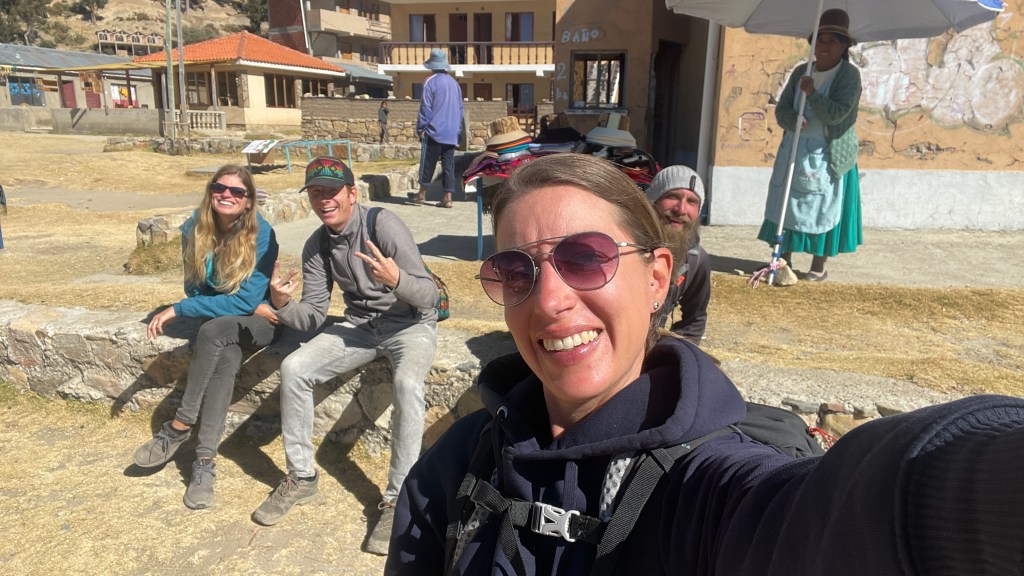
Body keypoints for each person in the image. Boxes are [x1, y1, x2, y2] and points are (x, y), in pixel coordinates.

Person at [385, 153, 1024, 575]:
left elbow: (864, 509)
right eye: (514, 271)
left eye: (586, 258)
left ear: (657, 277)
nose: (549, 301)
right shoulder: (461, 457)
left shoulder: (705, 484)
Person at [252, 156, 439, 557]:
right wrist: (282, 304)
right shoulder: (317, 244)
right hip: (359, 329)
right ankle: (301, 477)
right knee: (294, 367)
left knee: (407, 383)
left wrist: (397, 279)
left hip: (410, 325)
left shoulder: (383, 224)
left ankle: (396, 500)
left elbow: (429, 296)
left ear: (352, 194)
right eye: (316, 192)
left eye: (332, 191)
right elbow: (313, 316)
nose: (324, 200)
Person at [132, 164, 281, 510]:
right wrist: (232, 302)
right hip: (227, 323)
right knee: (224, 356)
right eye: (219, 188)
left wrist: (182, 309)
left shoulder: (262, 234)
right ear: (210, 191)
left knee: (212, 330)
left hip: (262, 323)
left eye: (237, 191)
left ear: (248, 201)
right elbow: (194, 287)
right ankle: (204, 461)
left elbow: (244, 301)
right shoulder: (193, 229)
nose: (227, 195)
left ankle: (179, 426)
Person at [757, 8, 863, 282]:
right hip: (796, 148)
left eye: (832, 41)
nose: (824, 47)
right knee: (788, 204)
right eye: (819, 40)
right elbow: (782, 109)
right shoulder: (801, 72)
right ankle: (783, 258)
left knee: (823, 206)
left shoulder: (849, 76)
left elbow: (837, 114)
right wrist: (794, 121)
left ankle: (818, 264)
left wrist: (812, 93)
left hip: (827, 153)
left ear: (844, 46)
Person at [646, 165, 711, 344]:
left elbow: (695, 320)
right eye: (672, 196)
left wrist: (678, 354)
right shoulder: (625, 246)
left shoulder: (696, 260)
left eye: (692, 201)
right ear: (652, 201)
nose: (681, 209)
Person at [409, 48, 463, 209]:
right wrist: (458, 130)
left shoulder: (430, 82)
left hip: (434, 131)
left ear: (432, 65)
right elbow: (460, 109)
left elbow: (425, 107)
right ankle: (448, 198)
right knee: (448, 166)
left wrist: (421, 128)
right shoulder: (454, 84)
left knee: (428, 163)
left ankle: (421, 194)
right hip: (451, 133)